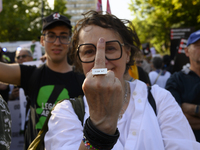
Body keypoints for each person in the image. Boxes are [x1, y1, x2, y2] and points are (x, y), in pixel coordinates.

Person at [44, 10, 200, 149]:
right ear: (79, 60)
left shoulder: (160, 99)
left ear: (127, 54)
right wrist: (98, 130)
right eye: (89, 51)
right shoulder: (65, 113)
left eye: (110, 48)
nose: (101, 60)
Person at [0, 12, 85, 149]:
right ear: (42, 40)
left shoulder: (83, 80)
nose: (57, 42)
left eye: (63, 36)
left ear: (70, 41)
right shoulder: (31, 74)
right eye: (51, 36)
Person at [165, 29, 200, 142]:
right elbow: (175, 118)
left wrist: (192, 108)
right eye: (198, 45)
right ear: (187, 51)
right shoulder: (176, 80)